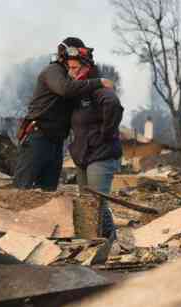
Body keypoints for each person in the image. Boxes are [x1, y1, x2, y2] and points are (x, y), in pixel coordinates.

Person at [14, 37, 113, 191]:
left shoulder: (74, 78)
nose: (74, 69)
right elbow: (65, 89)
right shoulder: (53, 70)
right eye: (71, 64)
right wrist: (98, 82)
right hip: (38, 137)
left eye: (76, 66)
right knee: (22, 189)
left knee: (48, 191)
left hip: (56, 141)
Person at [66, 49, 123, 239]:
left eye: (74, 68)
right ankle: (90, 243)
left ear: (86, 67)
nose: (70, 72)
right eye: (69, 68)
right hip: (84, 155)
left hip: (101, 155)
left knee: (97, 204)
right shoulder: (79, 91)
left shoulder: (97, 89)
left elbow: (113, 104)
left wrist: (105, 134)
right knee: (86, 205)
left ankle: (111, 242)